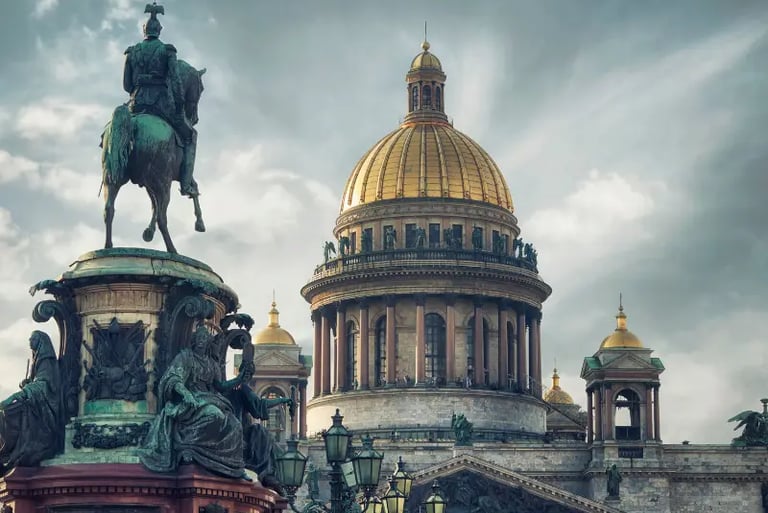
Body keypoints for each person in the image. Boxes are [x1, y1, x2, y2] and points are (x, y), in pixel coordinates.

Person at [138, 325, 246, 478]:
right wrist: (186, 394)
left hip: (209, 399)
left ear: (208, 342)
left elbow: (220, 386)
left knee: (235, 425)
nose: (202, 341)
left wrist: (240, 378)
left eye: (205, 338)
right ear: (194, 340)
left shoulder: (211, 363)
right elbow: (174, 378)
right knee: (216, 416)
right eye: (199, 338)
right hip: (192, 399)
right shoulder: (185, 357)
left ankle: (230, 465)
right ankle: (188, 447)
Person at [123, 3, 199, 197]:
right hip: (160, 105)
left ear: (144, 30)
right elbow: (175, 81)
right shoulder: (167, 51)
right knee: (190, 136)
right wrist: (179, 104)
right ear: (160, 31)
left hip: (135, 104)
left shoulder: (132, 52)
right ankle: (186, 183)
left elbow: (126, 85)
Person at [0, 331, 61, 469]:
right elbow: (37, 382)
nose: (29, 341)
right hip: (37, 401)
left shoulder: (46, 360)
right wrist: (28, 383)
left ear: (40, 342)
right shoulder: (38, 359)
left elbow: (44, 385)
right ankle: (10, 450)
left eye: (32, 339)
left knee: (10, 411)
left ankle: (19, 450)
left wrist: (17, 395)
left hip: (46, 403)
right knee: (7, 412)